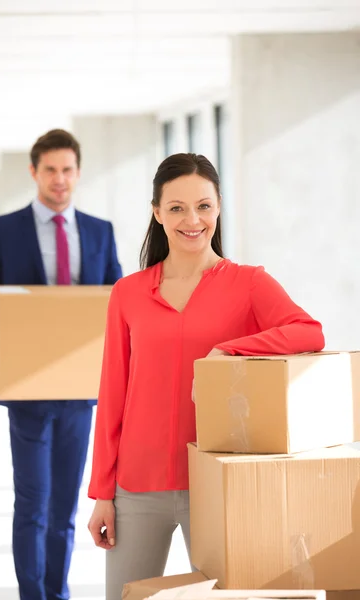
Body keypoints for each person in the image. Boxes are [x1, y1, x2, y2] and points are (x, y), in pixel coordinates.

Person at [87, 152, 324, 600]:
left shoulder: (249, 283)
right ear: (157, 213)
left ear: (218, 208)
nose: (192, 219)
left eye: (203, 206)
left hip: (216, 483)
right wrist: (103, 492)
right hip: (136, 488)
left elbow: (308, 331)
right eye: (176, 208)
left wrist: (231, 347)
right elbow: (112, 394)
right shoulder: (128, 293)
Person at [0, 129, 122, 600]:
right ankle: (33, 596)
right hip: (27, 389)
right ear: (34, 172)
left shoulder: (99, 231)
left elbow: (120, 301)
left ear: (78, 172)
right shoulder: (3, 230)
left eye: (67, 169)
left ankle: (59, 592)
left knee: (65, 507)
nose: (59, 179)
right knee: (32, 502)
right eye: (50, 169)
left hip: (80, 391)